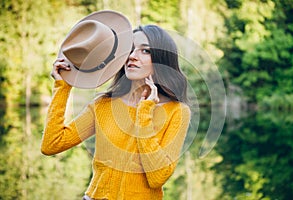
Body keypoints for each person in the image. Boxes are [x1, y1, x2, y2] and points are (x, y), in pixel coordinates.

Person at [41, 11, 191, 200]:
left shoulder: (177, 112)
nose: (133, 56)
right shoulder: (103, 105)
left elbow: (157, 177)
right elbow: (51, 145)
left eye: (145, 50)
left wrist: (144, 113)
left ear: (162, 60)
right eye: (131, 49)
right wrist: (63, 87)